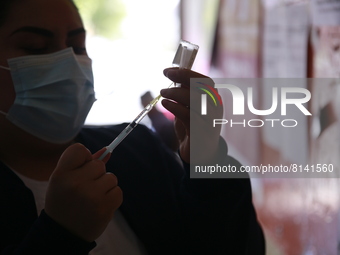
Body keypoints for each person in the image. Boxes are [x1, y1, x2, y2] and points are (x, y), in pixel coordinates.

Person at [0, 0, 265, 254]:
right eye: (35, 47)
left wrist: (207, 162)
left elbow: (238, 247)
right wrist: (60, 235)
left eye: (77, 47)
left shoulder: (140, 152)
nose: (67, 63)